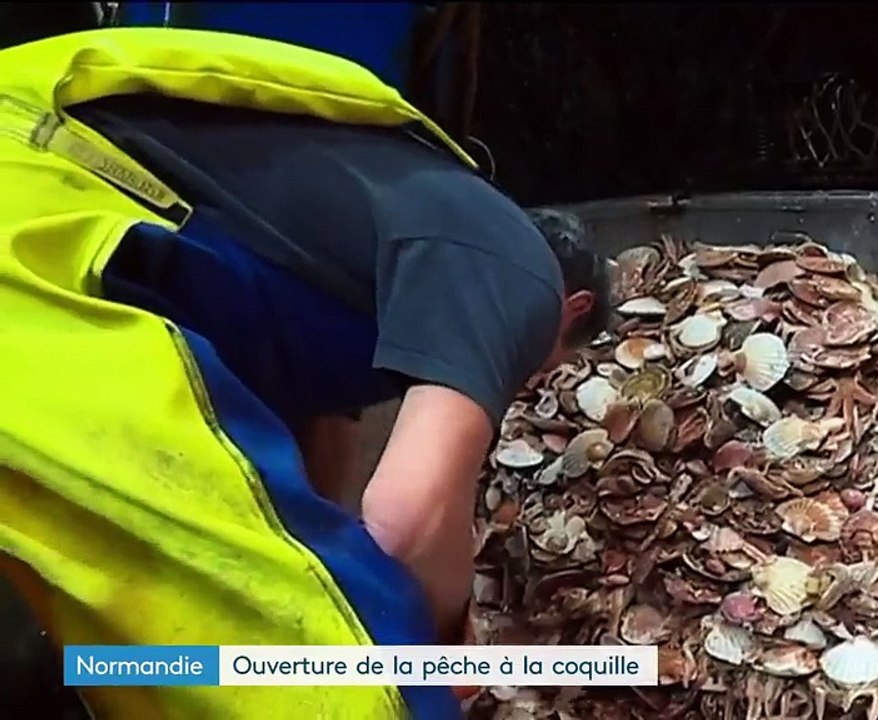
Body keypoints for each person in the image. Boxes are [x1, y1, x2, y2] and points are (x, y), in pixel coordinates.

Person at [0, 26, 610, 720]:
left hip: (54, 182)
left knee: (150, 662)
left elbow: (314, 446)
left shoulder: (380, 228)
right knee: (350, 688)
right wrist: (437, 635)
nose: (522, 382)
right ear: (572, 308)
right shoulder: (519, 274)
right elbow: (404, 520)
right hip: (41, 218)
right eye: (545, 368)